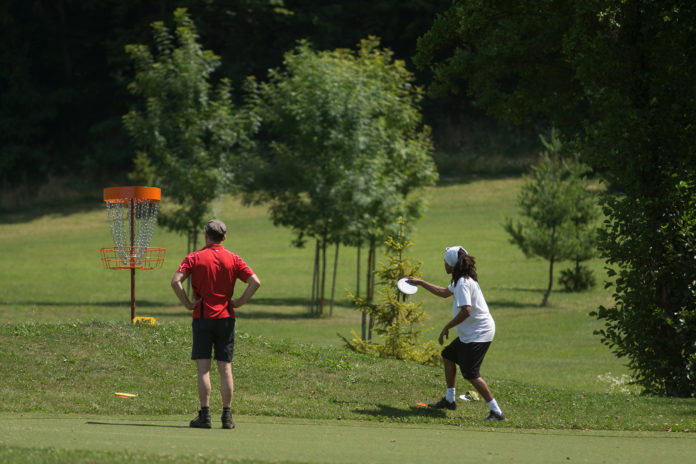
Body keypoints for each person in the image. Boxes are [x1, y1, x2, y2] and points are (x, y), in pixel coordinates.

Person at [171, 219, 261, 429]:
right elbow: (255, 282)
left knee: (204, 368)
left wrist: (188, 304)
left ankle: (205, 415)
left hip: (202, 316)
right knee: (225, 367)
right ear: (224, 238)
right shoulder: (234, 259)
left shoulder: (194, 257)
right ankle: (227, 416)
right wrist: (237, 302)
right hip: (226, 318)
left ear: (206, 235)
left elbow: (176, 281)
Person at [407, 246, 506, 422]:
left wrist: (447, 327)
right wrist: (421, 282)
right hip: (472, 333)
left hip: (479, 333)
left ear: (452, 264)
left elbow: (466, 311)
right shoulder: (460, 280)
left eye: (445, 261)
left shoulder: (463, 284)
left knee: (470, 374)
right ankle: (450, 400)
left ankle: (497, 412)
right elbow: (443, 293)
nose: (444, 264)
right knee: (448, 355)